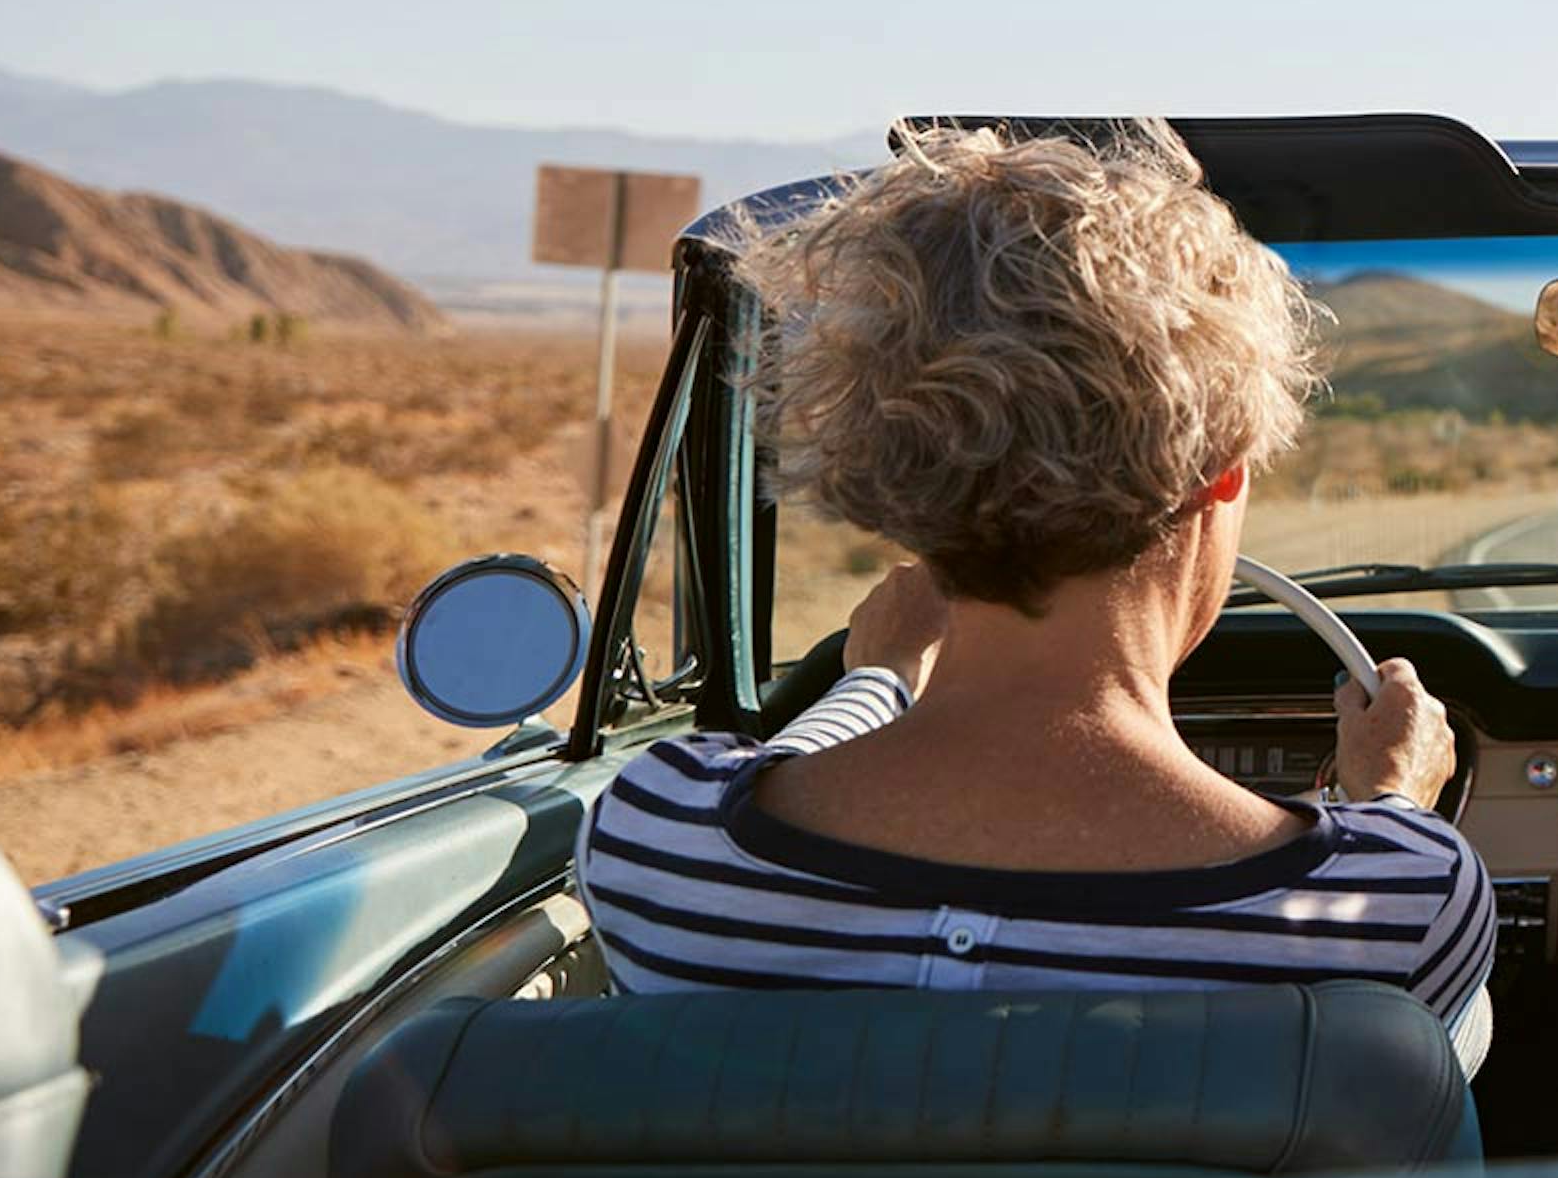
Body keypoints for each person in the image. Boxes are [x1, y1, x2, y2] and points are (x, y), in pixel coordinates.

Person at [573, 123, 1494, 1069]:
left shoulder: (658, 844)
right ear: (1220, 469)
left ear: (896, 462)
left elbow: (760, 781)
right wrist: (1392, 802)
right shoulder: (1394, 904)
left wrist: (878, 680)